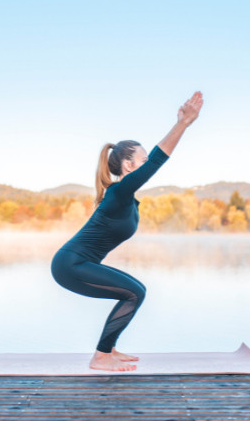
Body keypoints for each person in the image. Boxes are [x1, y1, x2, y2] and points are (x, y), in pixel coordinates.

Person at [50, 91, 204, 371]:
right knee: (133, 292)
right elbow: (159, 159)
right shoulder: (120, 191)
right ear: (129, 166)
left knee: (137, 291)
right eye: (142, 161)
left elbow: (153, 161)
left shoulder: (125, 197)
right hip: (70, 265)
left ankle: (107, 350)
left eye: (145, 161)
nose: (146, 165)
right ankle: (100, 357)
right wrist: (183, 124)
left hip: (75, 263)